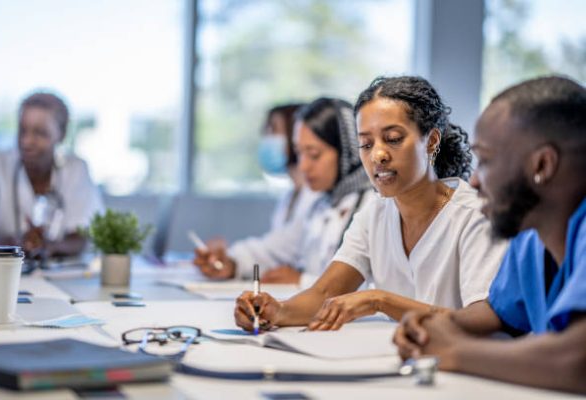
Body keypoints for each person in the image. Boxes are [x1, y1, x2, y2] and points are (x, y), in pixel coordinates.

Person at [234, 76, 509, 332]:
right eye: (366, 144)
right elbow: (325, 293)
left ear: (431, 141)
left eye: (393, 139)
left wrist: (380, 300)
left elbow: (481, 319)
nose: (378, 155)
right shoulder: (374, 214)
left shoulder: (474, 215)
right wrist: (276, 310)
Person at [393, 76, 586, 393]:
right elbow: (499, 312)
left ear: (543, 164)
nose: (477, 182)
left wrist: (453, 351)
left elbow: (578, 362)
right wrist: (436, 326)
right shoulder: (531, 237)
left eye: (486, 160)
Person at [193, 98, 373, 287]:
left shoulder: (372, 206)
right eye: (299, 153)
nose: (303, 166)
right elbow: (271, 251)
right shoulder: (321, 205)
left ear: (348, 151)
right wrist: (231, 263)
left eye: (314, 154)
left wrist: (302, 281)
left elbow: (377, 289)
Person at [0, 91, 103, 261]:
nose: (27, 141)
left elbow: (81, 237)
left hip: (58, 275)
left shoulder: (75, 169)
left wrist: (50, 246)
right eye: (22, 130)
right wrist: (16, 244)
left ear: (61, 134)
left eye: (40, 133)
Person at [257, 103, 320, 230]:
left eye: (274, 130)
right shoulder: (289, 196)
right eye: (266, 131)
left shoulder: (317, 196)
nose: (267, 138)